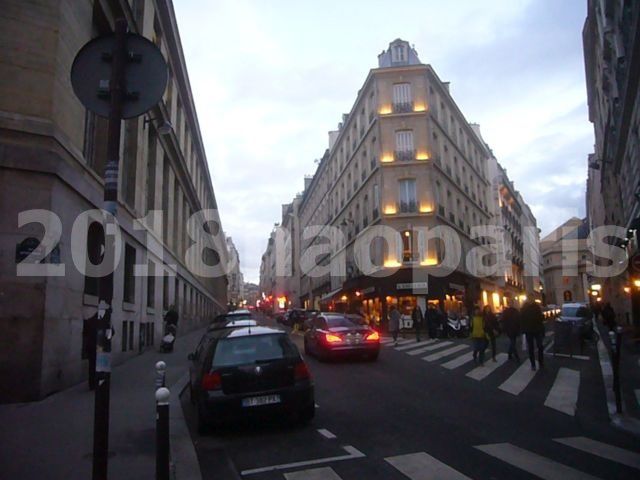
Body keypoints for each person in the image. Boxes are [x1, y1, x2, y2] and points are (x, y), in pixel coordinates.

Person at [520, 300, 545, 371]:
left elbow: (540, 318)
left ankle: (538, 363)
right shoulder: (526, 308)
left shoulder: (534, 307)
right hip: (531, 330)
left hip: (534, 329)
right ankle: (534, 364)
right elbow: (522, 320)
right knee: (534, 347)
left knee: (538, 347)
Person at [82, 313, 99, 390]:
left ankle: (92, 384)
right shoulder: (104, 323)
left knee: (92, 366)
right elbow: (112, 333)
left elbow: (85, 335)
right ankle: (98, 382)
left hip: (91, 347)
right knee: (99, 366)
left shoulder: (89, 321)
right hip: (100, 348)